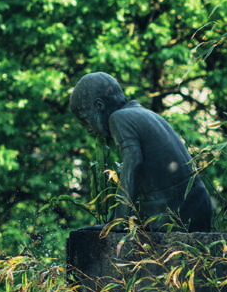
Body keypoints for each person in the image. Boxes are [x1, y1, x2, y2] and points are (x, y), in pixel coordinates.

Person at [70, 72, 212, 232]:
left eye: (86, 120)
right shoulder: (143, 113)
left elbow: (133, 163)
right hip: (196, 205)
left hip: (176, 213)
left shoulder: (118, 118)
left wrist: (119, 221)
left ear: (99, 106)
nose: (88, 129)